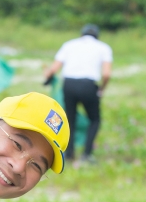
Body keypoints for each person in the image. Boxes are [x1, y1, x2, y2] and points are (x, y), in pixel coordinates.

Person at [43, 24, 112, 162]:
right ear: (97, 36)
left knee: (70, 119)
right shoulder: (103, 47)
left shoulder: (69, 45)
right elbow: (106, 74)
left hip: (69, 84)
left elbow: (53, 68)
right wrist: (102, 89)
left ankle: (69, 154)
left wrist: (48, 77)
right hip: (88, 85)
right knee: (94, 119)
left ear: (82, 34)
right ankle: (86, 153)